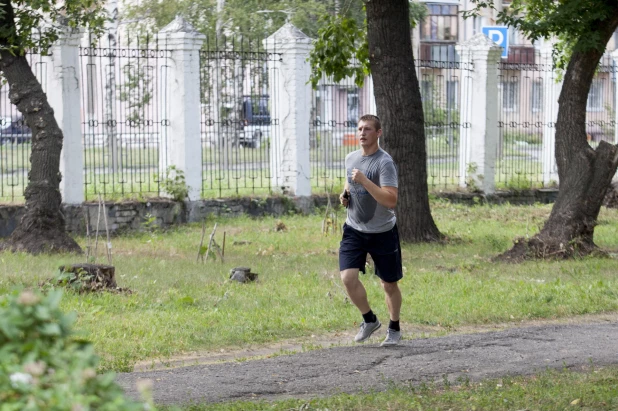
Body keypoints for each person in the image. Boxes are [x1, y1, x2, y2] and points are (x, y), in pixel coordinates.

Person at [339, 114, 403, 347]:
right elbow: (349, 182)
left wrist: (365, 181)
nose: (362, 133)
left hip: (382, 231)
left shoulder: (385, 163)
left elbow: (390, 200)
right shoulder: (351, 158)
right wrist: (345, 195)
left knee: (388, 284)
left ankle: (394, 328)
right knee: (347, 277)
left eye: (367, 129)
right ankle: (369, 320)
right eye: (359, 129)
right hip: (354, 228)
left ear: (378, 133)